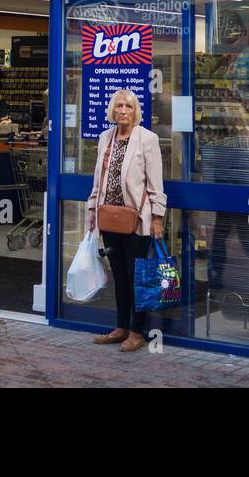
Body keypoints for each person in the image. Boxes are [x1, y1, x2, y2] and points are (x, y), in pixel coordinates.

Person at [87, 88, 167, 354]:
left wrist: (157, 218)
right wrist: (92, 211)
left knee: (137, 278)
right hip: (109, 219)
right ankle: (121, 326)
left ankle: (137, 331)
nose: (123, 110)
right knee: (119, 275)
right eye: (119, 106)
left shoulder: (147, 139)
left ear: (136, 111)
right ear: (113, 109)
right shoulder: (105, 138)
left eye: (128, 107)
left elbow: (156, 185)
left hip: (136, 221)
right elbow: (99, 178)